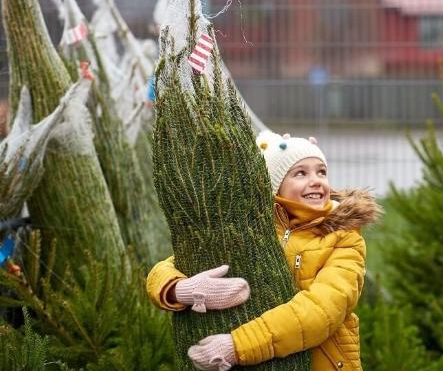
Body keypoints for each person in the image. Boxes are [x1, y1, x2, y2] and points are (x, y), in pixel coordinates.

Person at [146, 131, 379, 370]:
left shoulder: (345, 237)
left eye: (321, 171)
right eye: (301, 173)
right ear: (275, 185)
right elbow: (165, 268)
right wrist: (181, 289)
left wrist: (237, 345)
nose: (317, 180)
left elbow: (322, 311)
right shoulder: (253, 227)